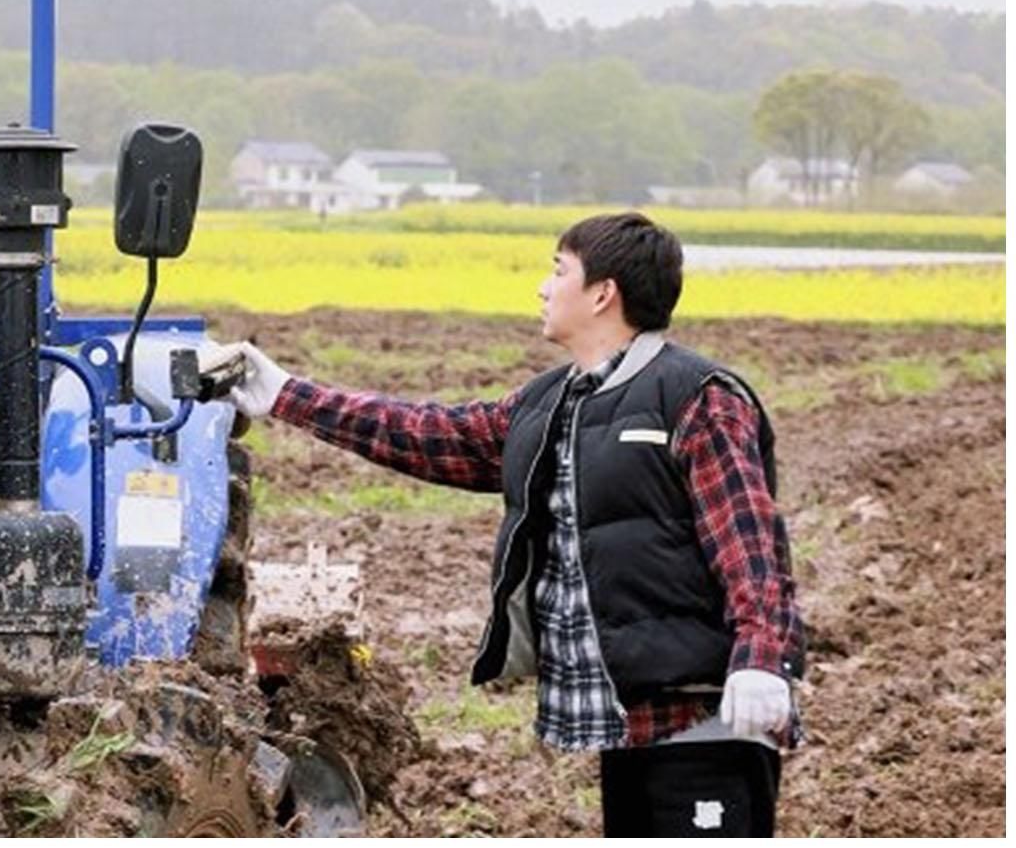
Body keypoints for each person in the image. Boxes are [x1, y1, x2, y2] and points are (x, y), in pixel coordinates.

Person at [201, 211, 805, 837]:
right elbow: (429, 435)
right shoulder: (552, 403)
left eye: (558, 270)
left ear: (603, 293)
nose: (544, 287)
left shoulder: (697, 398)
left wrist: (762, 658)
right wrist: (283, 394)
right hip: (629, 722)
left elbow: (750, 542)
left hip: (708, 716)